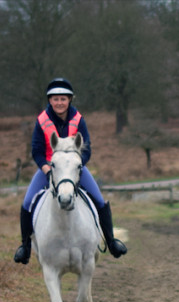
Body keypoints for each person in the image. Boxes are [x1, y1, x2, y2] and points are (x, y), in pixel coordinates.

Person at [14, 78, 127, 264]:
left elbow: (87, 149)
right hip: (50, 169)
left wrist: (76, 166)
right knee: (27, 202)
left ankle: (111, 241)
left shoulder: (78, 119)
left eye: (63, 99)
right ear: (50, 100)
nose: (59, 102)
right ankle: (25, 247)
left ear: (70, 100)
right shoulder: (41, 120)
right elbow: (36, 150)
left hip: (74, 168)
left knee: (99, 200)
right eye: (56, 99)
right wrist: (47, 170)